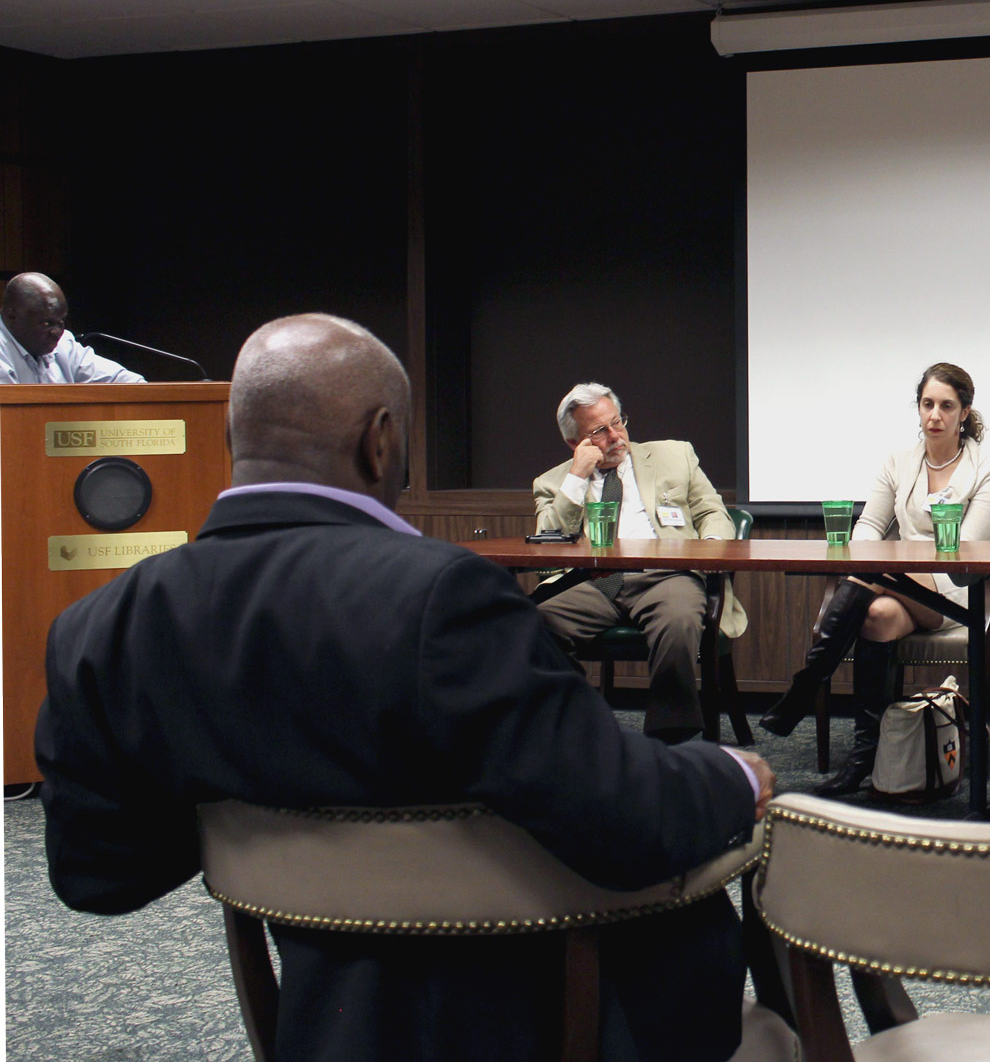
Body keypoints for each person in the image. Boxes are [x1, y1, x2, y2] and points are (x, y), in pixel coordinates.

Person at [36, 314, 773, 1062]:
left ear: (234, 442)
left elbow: (98, 874)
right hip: (543, 1025)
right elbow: (619, 818)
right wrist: (730, 777)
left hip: (324, 1026)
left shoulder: (98, 630)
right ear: (381, 439)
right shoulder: (445, 601)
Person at [758, 362, 990, 796]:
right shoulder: (898, 461)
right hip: (895, 584)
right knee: (875, 616)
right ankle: (864, 760)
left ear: (964, 412)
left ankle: (807, 684)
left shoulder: (989, 470)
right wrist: (880, 555)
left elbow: (963, 547)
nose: (935, 415)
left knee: (876, 573)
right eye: (927, 404)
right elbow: (868, 528)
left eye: (946, 406)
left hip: (952, 589)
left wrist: (889, 560)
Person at [531, 383, 745, 743]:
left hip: (666, 574)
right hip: (594, 581)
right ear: (575, 444)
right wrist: (577, 478)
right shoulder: (553, 483)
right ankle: (581, 725)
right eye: (599, 431)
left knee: (678, 623)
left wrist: (710, 548)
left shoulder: (674, 456)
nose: (616, 436)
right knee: (533, 624)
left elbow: (711, 510)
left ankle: (668, 738)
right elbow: (546, 548)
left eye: (618, 422)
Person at [1, 271, 145, 384]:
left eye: (61, 322)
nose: (57, 332)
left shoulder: (64, 344)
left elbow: (120, 380)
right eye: (47, 323)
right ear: (11, 316)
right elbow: (11, 412)